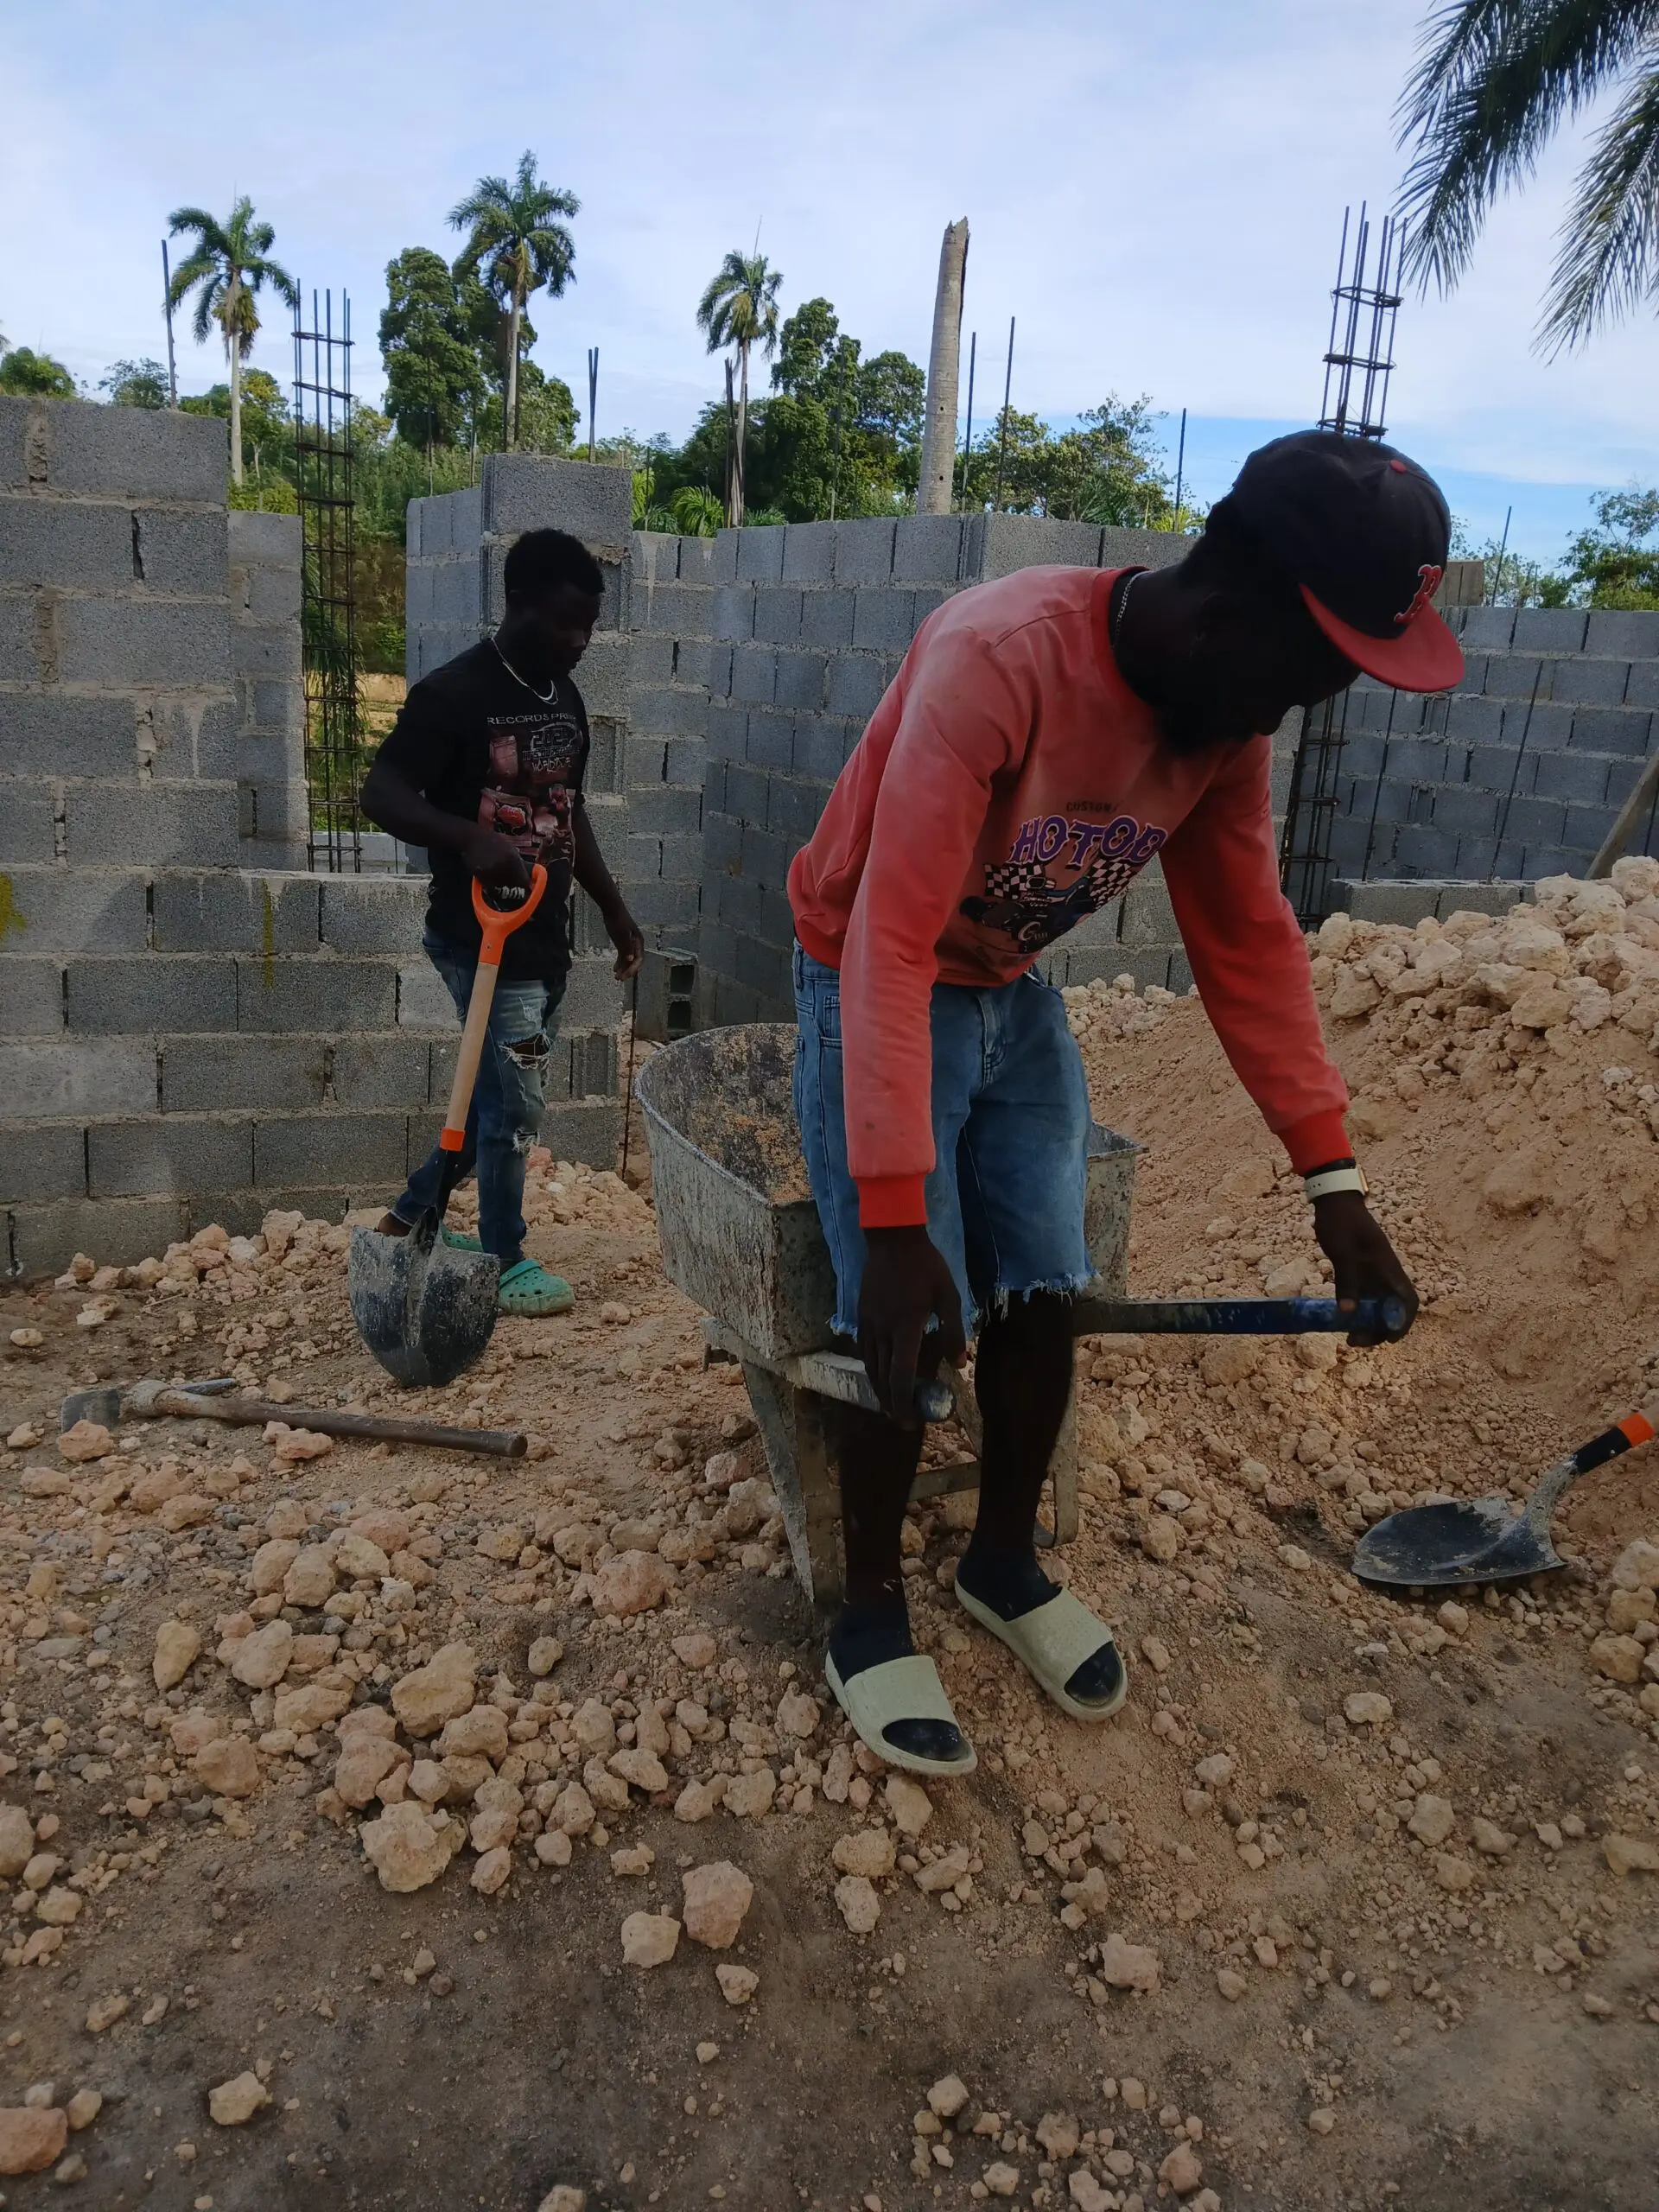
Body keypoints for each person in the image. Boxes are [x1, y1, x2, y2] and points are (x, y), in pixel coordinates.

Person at [787, 429, 1464, 1776]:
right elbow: (891, 939)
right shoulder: (999, 658)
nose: (1297, 713)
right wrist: (895, 1216)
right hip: (873, 965)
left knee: (1050, 1285)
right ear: (1236, 605)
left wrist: (1334, 1186)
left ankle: (1002, 1562)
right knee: (903, 1307)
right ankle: (866, 1610)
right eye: (1310, 673)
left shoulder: (1226, 729)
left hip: (1007, 983)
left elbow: (1249, 943)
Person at [362, 526, 643, 1317]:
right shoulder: (454, 695)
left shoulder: (565, 698)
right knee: (515, 1104)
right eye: (565, 623)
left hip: (543, 938)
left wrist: (614, 909)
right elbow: (381, 792)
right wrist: (468, 838)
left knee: (494, 1096)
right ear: (518, 603)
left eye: (589, 626)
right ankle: (502, 1256)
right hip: (478, 937)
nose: (580, 641)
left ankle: (409, 1220)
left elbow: (567, 813)